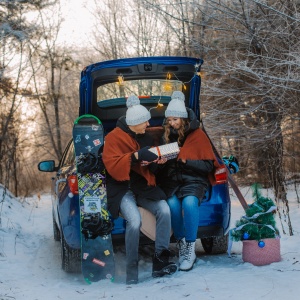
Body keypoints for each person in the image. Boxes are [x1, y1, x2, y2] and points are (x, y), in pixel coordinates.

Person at [102, 95, 177, 284]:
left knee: (164, 210)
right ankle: (131, 272)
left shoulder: (147, 137)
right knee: (134, 221)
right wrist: (135, 156)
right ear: (134, 122)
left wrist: (158, 162)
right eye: (145, 121)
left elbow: (149, 167)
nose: (148, 123)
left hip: (143, 187)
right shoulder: (113, 138)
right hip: (122, 188)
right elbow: (112, 165)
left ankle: (161, 262)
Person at [158, 91, 220, 271]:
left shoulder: (198, 135)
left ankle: (191, 248)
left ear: (183, 119)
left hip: (194, 181)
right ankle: (182, 244)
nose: (171, 123)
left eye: (175, 120)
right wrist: (162, 159)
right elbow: (164, 166)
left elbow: (208, 167)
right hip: (173, 182)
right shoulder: (167, 136)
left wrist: (186, 159)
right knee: (172, 204)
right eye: (169, 120)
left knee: (190, 203)